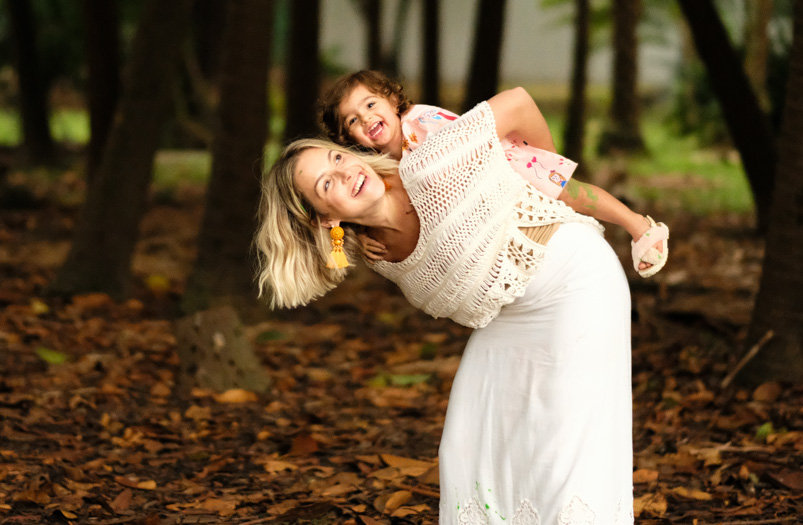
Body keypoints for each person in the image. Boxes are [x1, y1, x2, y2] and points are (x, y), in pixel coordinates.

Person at [256, 90, 635, 524]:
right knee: (467, 443)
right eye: (327, 184)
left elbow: (520, 102)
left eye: (337, 160)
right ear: (325, 219)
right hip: (512, 315)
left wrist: (546, 176)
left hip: (576, 280)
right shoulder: (375, 252)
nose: (346, 174)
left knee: (566, 449)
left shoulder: (431, 160)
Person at [317, 70, 668, 277]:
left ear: (392, 102)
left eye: (370, 105)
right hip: (481, 218)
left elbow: (465, 145)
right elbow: (365, 221)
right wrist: (357, 239)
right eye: (353, 120)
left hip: (505, 166)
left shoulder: (419, 122)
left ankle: (639, 226)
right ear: (349, 138)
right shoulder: (376, 171)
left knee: (575, 195)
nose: (365, 119)